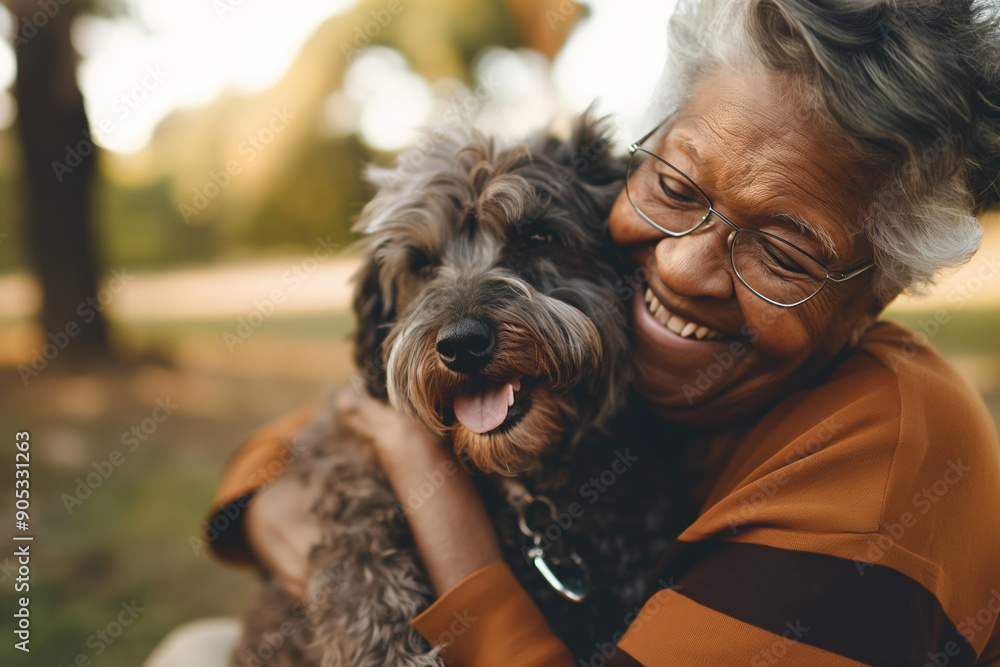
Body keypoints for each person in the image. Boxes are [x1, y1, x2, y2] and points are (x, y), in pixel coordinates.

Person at [205, 0, 1000, 664]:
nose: (685, 268)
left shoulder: (890, 458)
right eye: (678, 186)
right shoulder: (633, 354)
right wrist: (287, 489)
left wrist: (432, 488)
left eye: (785, 249)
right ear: (630, 170)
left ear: (879, 295)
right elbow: (308, 447)